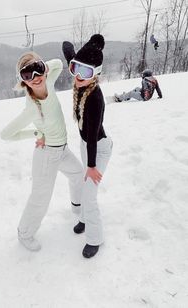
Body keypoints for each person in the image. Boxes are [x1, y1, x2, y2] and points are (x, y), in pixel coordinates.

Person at [0, 51, 84, 252]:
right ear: (23, 81)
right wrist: (37, 132)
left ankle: (77, 206)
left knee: (78, 174)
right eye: (27, 74)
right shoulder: (31, 108)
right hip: (47, 155)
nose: (35, 78)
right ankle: (25, 233)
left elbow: (56, 64)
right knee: (41, 197)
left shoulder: (49, 81)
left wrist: (43, 66)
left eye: (37, 70)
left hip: (62, 149)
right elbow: (6, 134)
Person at [62, 34, 113, 258]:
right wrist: (69, 53)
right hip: (86, 145)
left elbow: (92, 136)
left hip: (98, 147)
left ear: (96, 74)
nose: (79, 77)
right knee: (85, 184)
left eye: (87, 72)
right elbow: (71, 55)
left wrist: (92, 166)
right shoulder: (81, 77)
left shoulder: (95, 99)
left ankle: (95, 238)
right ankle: (83, 217)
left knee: (90, 193)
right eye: (76, 69)